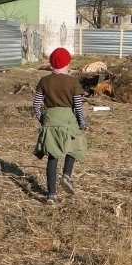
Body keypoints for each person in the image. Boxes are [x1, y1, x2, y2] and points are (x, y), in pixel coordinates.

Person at [33, 47, 88, 204]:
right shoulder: (73, 82)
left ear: (51, 65)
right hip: (68, 121)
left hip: (50, 120)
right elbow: (78, 107)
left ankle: (51, 195)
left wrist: (43, 120)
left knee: (52, 156)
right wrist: (83, 123)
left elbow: (36, 105)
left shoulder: (44, 81)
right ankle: (66, 175)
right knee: (75, 147)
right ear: (68, 64)